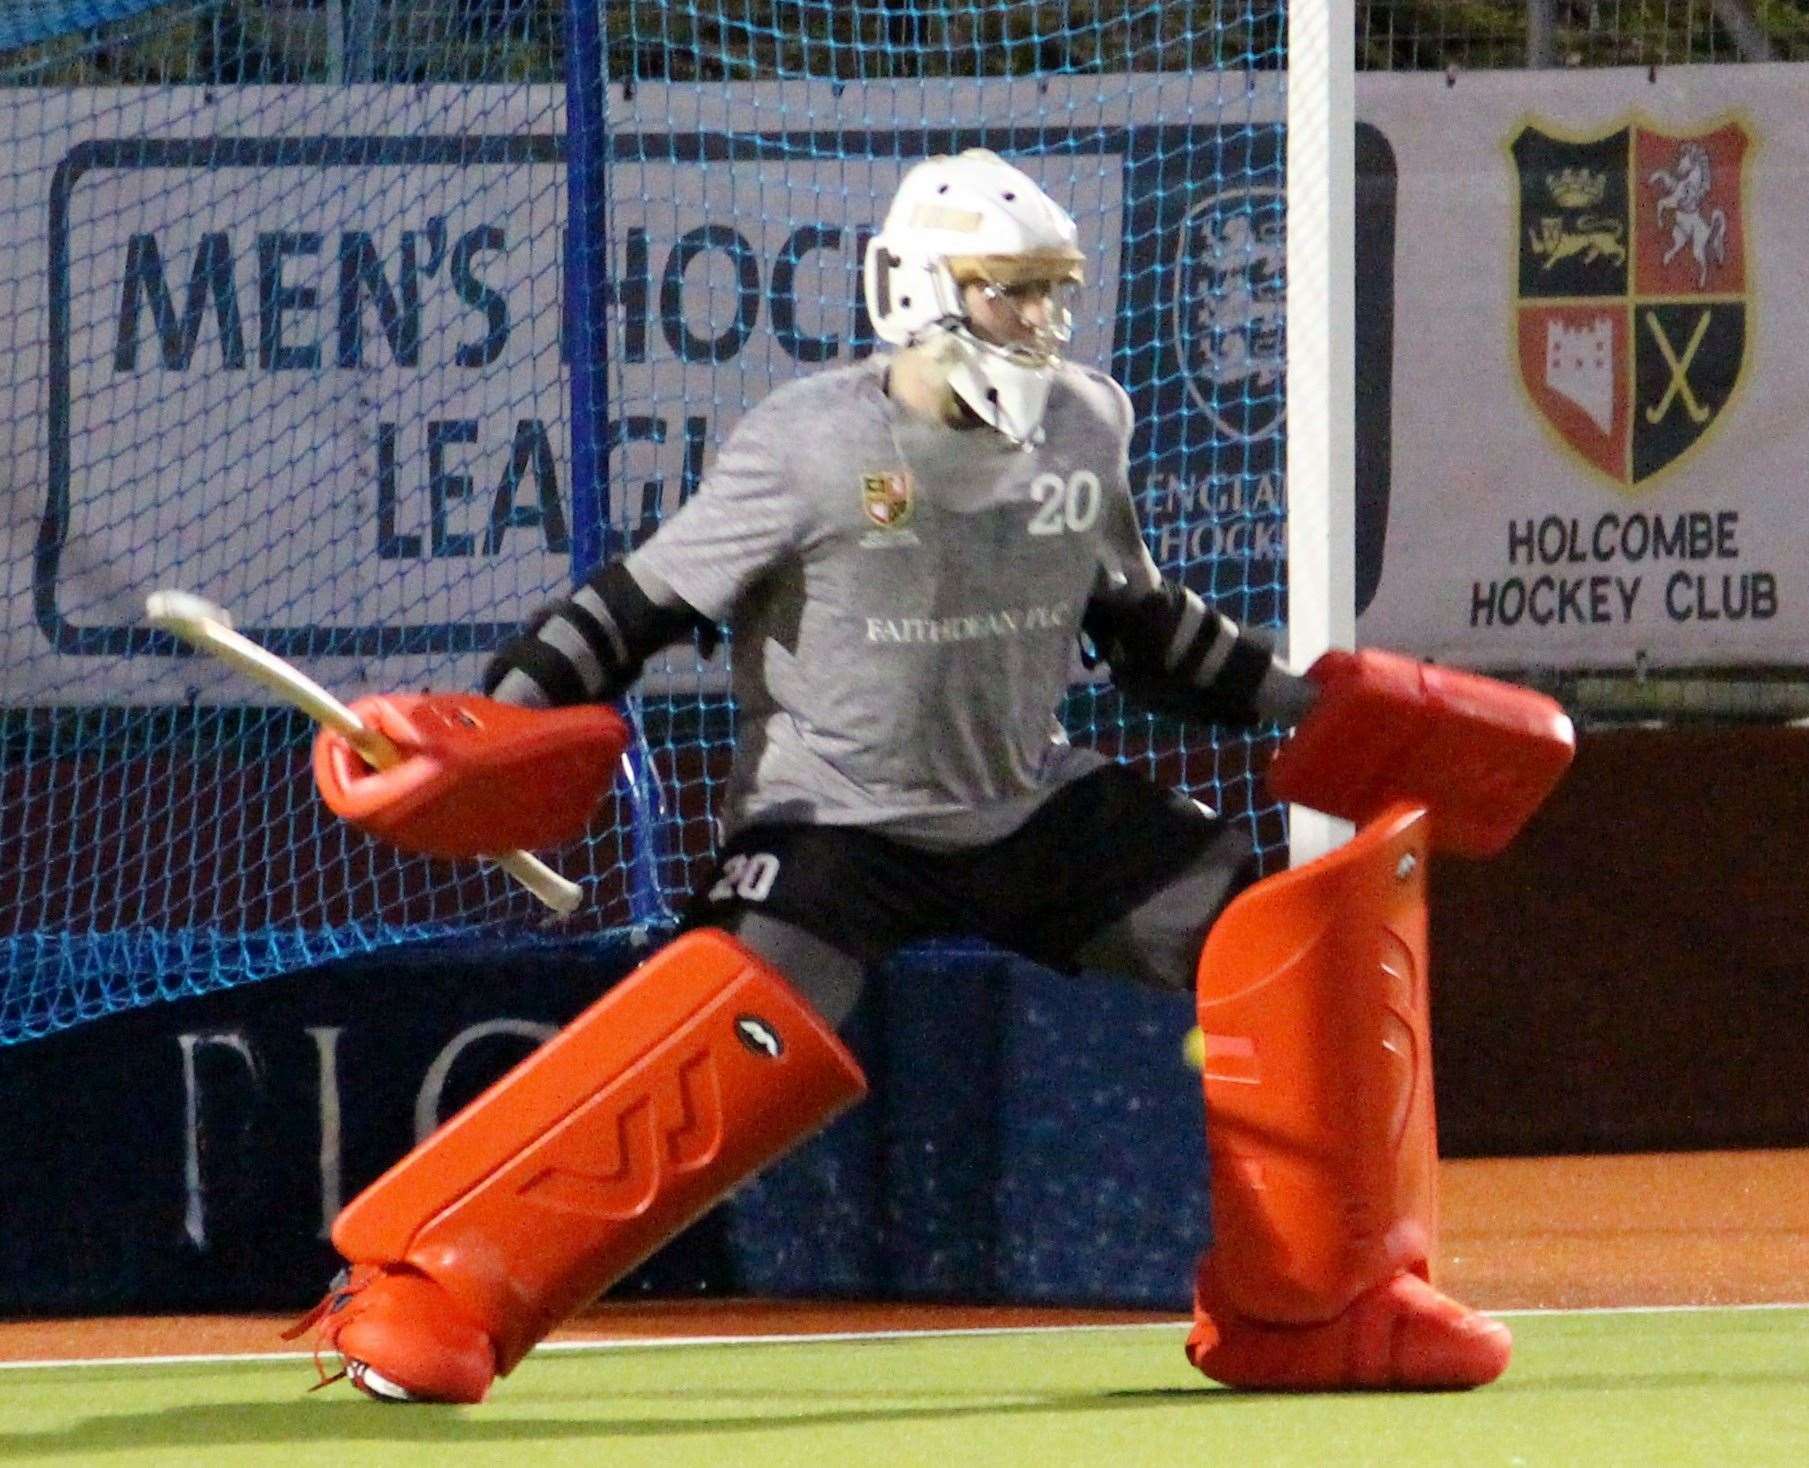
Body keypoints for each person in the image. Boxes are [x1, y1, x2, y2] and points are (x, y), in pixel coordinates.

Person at [292, 151, 1536, 1402]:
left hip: (1027, 804)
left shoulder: (1087, 422)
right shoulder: (809, 443)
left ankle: (1325, 1307)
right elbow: (632, 608)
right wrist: (492, 722)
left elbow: (1146, 627)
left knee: (1293, 941)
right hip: (832, 820)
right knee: (717, 1025)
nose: (1043, 321)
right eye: (1012, 291)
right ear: (918, 289)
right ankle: (431, 1287)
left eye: (1058, 291)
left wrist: (1308, 706)